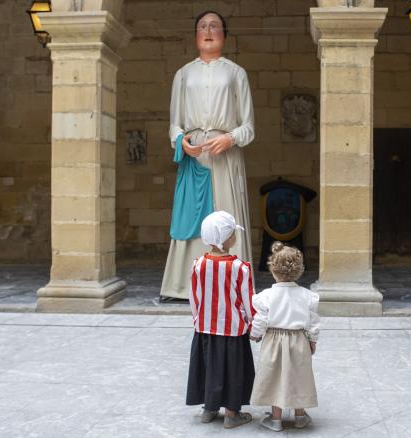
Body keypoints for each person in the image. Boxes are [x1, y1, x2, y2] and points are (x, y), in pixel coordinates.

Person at [160, 10, 255, 301]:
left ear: (224, 36)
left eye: (215, 26)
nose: (208, 30)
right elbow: (175, 123)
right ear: (195, 36)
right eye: (203, 26)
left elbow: (249, 127)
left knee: (226, 215)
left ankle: (231, 285)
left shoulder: (236, 73)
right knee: (191, 217)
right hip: (195, 155)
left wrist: (229, 138)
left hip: (225, 156)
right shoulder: (183, 74)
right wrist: (180, 140)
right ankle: (183, 286)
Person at [185, 211, 256, 429]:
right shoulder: (240, 268)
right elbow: (249, 299)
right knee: (233, 370)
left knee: (209, 367)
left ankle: (209, 408)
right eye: (233, 233)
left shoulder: (198, 265)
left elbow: (194, 296)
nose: (235, 236)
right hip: (233, 331)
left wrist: (197, 319)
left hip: (205, 329)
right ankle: (232, 414)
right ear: (227, 239)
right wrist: (253, 324)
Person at [249, 242, 320, 432]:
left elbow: (261, 319)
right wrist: (312, 340)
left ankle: (276, 419)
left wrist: (255, 335)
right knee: (299, 376)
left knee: (274, 377)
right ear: (299, 271)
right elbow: (313, 321)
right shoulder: (307, 296)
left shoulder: (266, 296)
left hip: (273, 341)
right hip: (299, 340)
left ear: (273, 270)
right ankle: (299, 416)